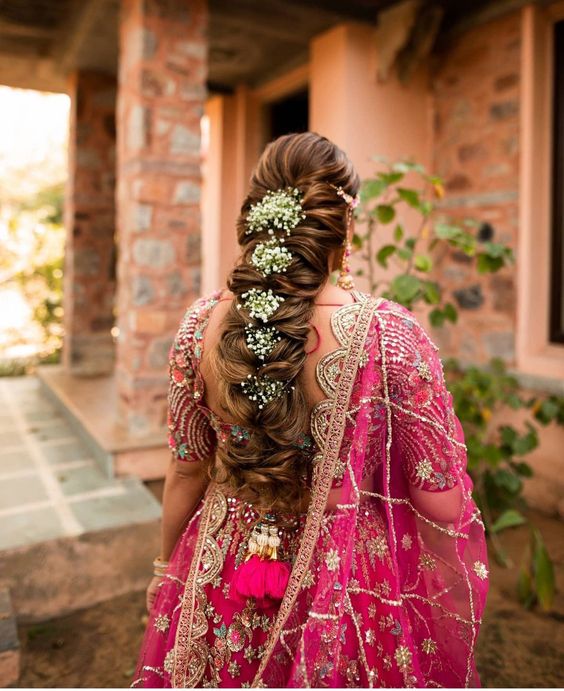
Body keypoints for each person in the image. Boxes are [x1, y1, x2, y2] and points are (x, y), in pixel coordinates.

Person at [131, 132, 488, 688]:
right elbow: (439, 500)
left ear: (255, 218)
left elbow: (185, 466)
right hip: (346, 583)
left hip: (222, 566)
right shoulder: (390, 335)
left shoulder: (199, 325)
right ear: (344, 227)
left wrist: (163, 569)